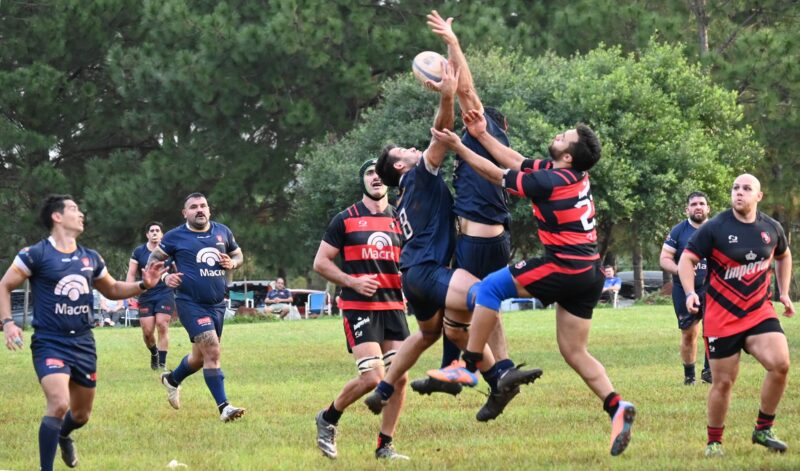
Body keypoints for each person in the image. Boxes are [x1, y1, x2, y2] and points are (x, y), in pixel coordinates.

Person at [429, 109, 636, 456]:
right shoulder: (569, 174)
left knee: (490, 288)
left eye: (563, 136)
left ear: (567, 155)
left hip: (565, 267)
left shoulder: (550, 181)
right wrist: (480, 135)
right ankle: (616, 406)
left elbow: (498, 175)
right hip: (589, 272)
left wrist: (460, 150)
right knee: (574, 351)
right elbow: (518, 162)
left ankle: (467, 367)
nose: (558, 134)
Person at [364, 59, 540, 423]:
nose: (412, 150)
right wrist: (446, 96)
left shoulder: (404, 195)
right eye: (404, 152)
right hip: (429, 272)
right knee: (485, 295)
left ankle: (384, 389)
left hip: (412, 276)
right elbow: (440, 131)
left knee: (433, 333)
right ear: (401, 167)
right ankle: (500, 372)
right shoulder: (420, 177)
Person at [0, 195, 164, 471]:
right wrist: (7, 322)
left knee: (82, 414)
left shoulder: (90, 257)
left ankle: (64, 434)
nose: (81, 214)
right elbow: (4, 285)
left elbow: (112, 289)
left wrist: (143, 285)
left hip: (83, 343)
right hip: (50, 342)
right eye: (74, 209)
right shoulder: (35, 254)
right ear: (57, 216)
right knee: (58, 403)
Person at [408, 11, 518, 412]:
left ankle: (498, 375)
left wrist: (452, 43)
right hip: (472, 239)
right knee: (461, 309)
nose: (474, 116)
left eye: (480, 116)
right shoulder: (470, 143)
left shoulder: (488, 136)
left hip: (484, 240)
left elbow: (469, 91)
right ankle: (454, 372)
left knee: (473, 309)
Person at [678, 174, 794, 457]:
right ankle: (714, 442)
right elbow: (686, 259)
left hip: (758, 311)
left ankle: (763, 429)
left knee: (780, 364)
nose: (739, 193)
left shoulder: (771, 227)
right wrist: (691, 292)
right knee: (724, 382)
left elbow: (784, 255)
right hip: (721, 315)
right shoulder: (715, 227)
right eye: (735, 188)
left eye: (746, 189)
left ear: (759, 196)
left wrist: (783, 292)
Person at [313, 159, 410, 460]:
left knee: (400, 378)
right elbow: (321, 263)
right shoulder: (345, 219)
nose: (376, 178)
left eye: (380, 173)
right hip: (359, 307)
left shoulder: (400, 219)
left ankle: (385, 446)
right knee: (373, 378)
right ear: (363, 181)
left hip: (394, 306)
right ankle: (328, 417)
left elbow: (409, 259)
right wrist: (352, 282)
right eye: (369, 173)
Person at [149, 192, 247, 422]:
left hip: (217, 304)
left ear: (209, 210)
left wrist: (233, 263)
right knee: (212, 350)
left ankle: (172, 379)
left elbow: (238, 254)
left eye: (203, 206)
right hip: (190, 303)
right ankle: (224, 407)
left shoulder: (223, 231)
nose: (199, 210)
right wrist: (164, 279)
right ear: (185, 213)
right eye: (193, 207)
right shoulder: (175, 236)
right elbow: (152, 261)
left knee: (200, 357)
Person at [659, 192, 712, 385]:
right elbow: (664, 259)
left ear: (708, 208)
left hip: (712, 288)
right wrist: (682, 272)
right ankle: (689, 376)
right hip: (683, 289)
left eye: (702, 204)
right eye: (694, 204)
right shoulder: (678, 231)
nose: (698, 207)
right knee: (689, 333)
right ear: (687, 209)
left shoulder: (717, 229)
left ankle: (709, 372)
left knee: (714, 330)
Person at [127, 221, 176, 370]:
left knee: (162, 324)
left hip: (165, 293)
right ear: (147, 234)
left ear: (162, 234)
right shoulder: (139, 252)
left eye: (157, 230)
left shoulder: (169, 251)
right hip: (146, 295)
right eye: (152, 231)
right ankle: (154, 353)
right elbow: (131, 273)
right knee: (148, 332)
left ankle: (161, 364)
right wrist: (129, 291)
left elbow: (178, 269)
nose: (154, 233)